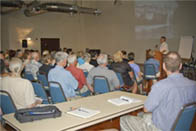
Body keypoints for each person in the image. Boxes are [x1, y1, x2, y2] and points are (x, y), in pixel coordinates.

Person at [120, 51, 196, 131]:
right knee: (141, 115)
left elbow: (146, 109)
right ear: (180, 66)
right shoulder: (194, 85)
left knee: (124, 119)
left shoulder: (160, 86)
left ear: (164, 66)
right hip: (182, 127)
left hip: (160, 128)